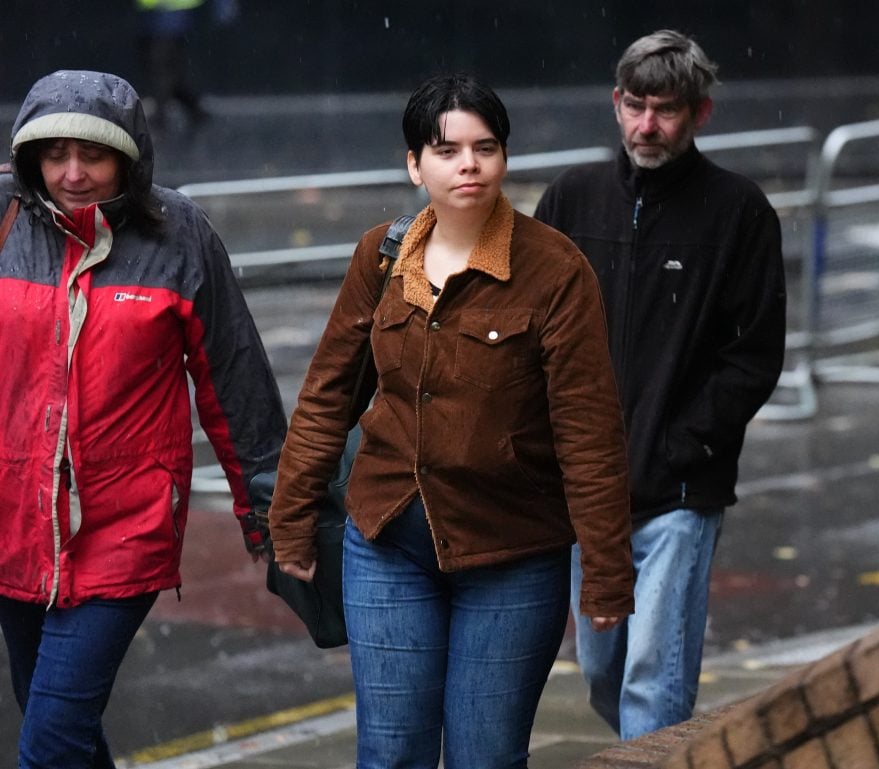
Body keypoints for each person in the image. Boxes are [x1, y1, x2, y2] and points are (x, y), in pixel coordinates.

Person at [269, 73, 634, 768]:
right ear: (415, 164)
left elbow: (588, 433)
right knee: (392, 751)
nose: (468, 163)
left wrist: (607, 573)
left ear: (503, 157)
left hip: (512, 555)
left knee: (485, 757)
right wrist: (289, 521)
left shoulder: (555, 270)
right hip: (385, 542)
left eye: (485, 147)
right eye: (446, 149)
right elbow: (328, 394)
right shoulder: (381, 254)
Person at [0, 70, 286, 768]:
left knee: (49, 743)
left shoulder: (179, 234)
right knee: (57, 721)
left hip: (124, 527)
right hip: (14, 522)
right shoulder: (5, 220)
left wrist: (270, 512)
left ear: (129, 158)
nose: (72, 173)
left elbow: (233, 380)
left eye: (92, 155)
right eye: (55, 152)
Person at [534, 30, 787, 740]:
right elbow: (528, 328)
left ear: (700, 113)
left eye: (666, 110)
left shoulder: (739, 213)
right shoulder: (572, 200)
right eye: (636, 106)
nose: (648, 125)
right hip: (585, 489)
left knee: (655, 674)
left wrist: (684, 444)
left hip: (680, 492)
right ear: (616, 104)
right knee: (603, 668)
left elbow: (754, 354)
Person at [134, 0, 238, 128]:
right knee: (161, 63)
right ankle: (190, 108)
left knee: (161, 63)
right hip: (156, 13)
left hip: (170, 12)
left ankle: (161, 112)